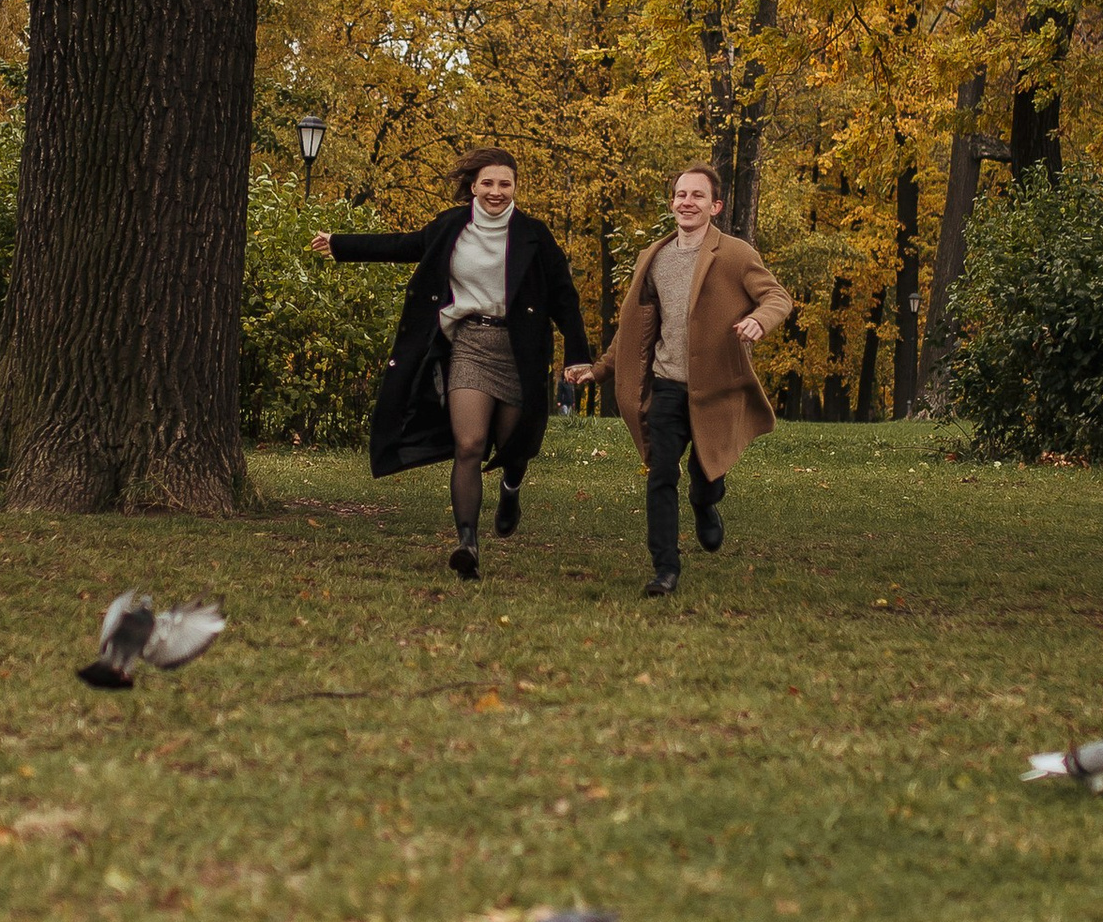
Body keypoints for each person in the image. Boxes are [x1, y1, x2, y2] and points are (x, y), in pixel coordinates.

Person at [315, 148, 597, 578]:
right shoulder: (451, 226)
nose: (496, 192)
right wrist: (340, 244)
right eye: (488, 183)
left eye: (505, 184)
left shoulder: (534, 236)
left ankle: (511, 486)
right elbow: (404, 244)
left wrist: (578, 356)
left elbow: (564, 298)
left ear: (515, 187)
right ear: (473, 187)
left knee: (513, 444)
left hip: (519, 350)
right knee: (468, 445)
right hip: (468, 343)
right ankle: (467, 543)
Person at [606, 163, 796, 596]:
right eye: (680, 195)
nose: (686, 202)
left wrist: (758, 321)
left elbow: (777, 296)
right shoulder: (652, 258)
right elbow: (636, 327)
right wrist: (601, 367)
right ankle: (665, 570)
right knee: (660, 475)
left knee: (706, 475)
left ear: (715, 205)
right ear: (672, 203)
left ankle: (706, 505)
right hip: (667, 382)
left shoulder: (735, 253)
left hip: (715, 389)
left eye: (696, 196)